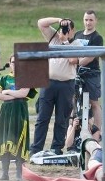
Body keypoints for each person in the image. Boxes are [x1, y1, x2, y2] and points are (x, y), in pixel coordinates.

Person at [30, 17, 82, 157]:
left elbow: (72, 60)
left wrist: (65, 41)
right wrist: (59, 20)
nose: (65, 31)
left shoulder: (77, 43)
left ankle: (56, 148)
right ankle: (36, 149)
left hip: (66, 84)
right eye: (64, 28)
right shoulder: (53, 37)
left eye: (68, 29)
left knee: (62, 118)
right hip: (48, 82)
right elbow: (41, 23)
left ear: (73, 30)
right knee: (42, 118)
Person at [0, 55, 35, 180]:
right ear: (9, 63)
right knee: (4, 138)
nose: (15, 64)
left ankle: (19, 172)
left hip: (20, 111)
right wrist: (15, 95)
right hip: (6, 112)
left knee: (19, 139)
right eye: (13, 62)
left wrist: (7, 92)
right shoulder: (4, 79)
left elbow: (24, 93)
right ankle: (4, 173)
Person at [73, 10, 104, 129]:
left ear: (96, 21)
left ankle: (98, 129)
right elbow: (72, 52)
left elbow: (90, 57)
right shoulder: (78, 35)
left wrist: (76, 61)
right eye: (86, 19)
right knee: (73, 98)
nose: (88, 22)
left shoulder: (97, 38)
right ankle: (74, 125)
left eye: (91, 20)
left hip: (92, 73)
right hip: (77, 72)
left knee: (94, 101)